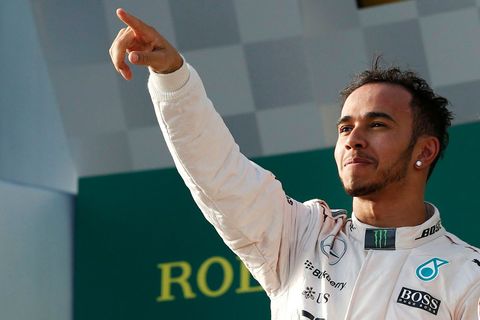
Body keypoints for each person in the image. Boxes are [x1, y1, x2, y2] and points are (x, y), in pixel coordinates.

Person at [109, 8, 480, 319]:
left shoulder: (466, 275)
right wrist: (173, 78)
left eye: (378, 124)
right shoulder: (300, 236)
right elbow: (217, 172)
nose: (353, 138)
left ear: (425, 151)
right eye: (345, 127)